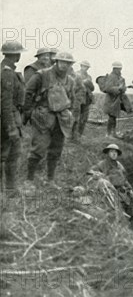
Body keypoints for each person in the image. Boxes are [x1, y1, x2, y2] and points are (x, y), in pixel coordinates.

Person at [22, 52, 77, 190]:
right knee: (38, 148)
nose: (65, 65)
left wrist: (70, 115)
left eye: (68, 63)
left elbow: (72, 99)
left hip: (61, 119)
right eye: (62, 62)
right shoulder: (42, 75)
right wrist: (29, 112)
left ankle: (50, 180)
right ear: (56, 61)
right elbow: (27, 93)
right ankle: (29, 180)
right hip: (43, 118)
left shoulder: (70, 80)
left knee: (56, 150)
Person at [1, 41, 26, 193]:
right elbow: (6, 103)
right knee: (11, 153)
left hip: (9, 117)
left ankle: (9, 189)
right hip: (7, 118)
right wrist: (10, 127)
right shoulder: (7, 72)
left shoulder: (6, 70)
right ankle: (9, 189)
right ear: (15, 55)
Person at [88, 144, 133, 221]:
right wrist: (96, 174)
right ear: (108, 153)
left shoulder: (119, 165)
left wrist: (129, 188)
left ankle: (132, 219)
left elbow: (124, 179)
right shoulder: (102, 164)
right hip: (108, 190)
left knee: (130, 196)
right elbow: (91, 171)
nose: (114, 154)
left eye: (116, 152)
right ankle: (117, 218)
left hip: (120, 189)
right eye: (111, 151)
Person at [100, 62, 132, 137]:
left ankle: (113, 133)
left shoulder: (120, 78)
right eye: (118, 69)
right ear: (114, 69)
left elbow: (123, 89)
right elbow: (107, 88)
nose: (119, 70)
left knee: (114, 117)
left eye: (120, 68)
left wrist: (123, 88)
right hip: (111, 100)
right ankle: (108, 134)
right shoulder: (111, 77)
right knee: (111, 117)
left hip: (116, 100)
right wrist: (118, 88)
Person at [73, 60, 95, 140]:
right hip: (77, 98)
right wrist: (83, 82)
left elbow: (92, 88)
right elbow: (73, 86)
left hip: (87, 98)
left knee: (84, 118)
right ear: (81, 66)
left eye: (87, 67)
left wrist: (89, 83)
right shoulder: (75, 74)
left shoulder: (89, 77)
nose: (85, 68)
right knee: (75, 117)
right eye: (84, 66)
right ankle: (73, 135)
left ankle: (79, 134)